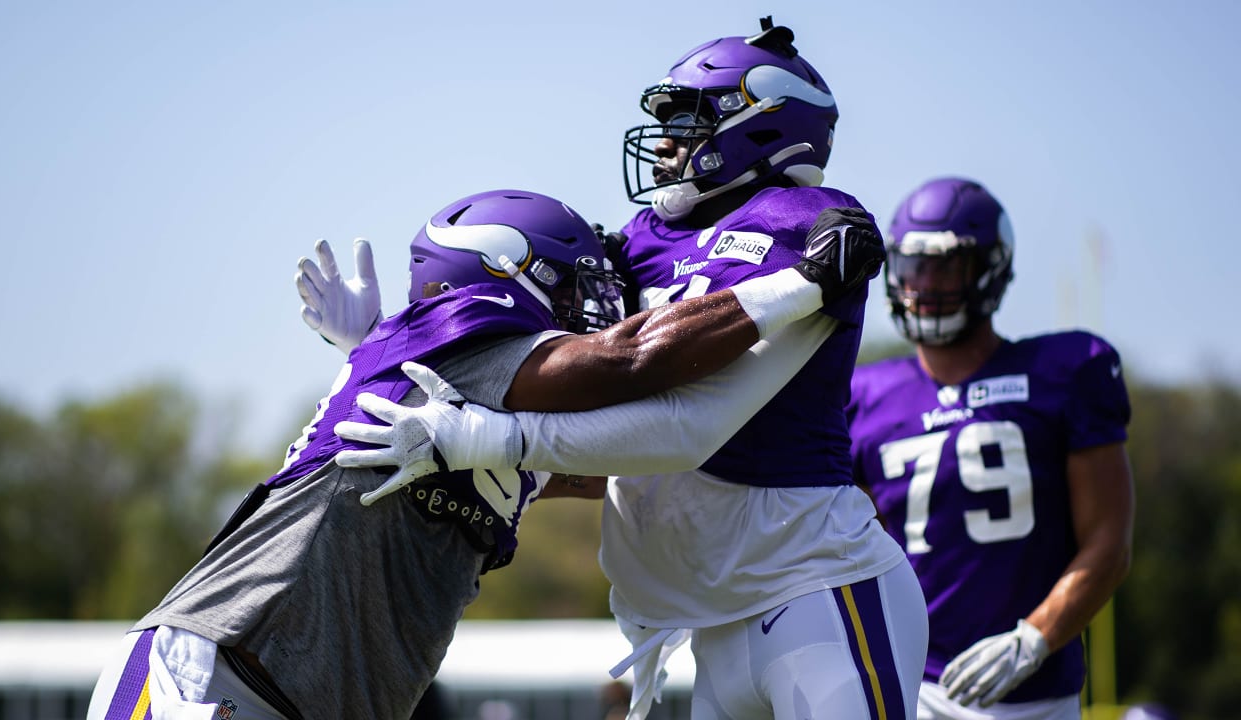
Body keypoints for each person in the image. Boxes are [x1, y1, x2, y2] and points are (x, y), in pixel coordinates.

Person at [319, 19, 929, 720]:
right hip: (711, 621)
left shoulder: (808, 221)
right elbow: (545, 365)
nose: (666, 139)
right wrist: (387, 345)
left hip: (815, 586)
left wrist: (489, 437)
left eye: (688, 118)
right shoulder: (644, 241)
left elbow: (688, 431)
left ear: (762, 124)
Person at [85, 187, 881, 720]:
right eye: (573, 288)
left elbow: (627, 457)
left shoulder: (460, 391)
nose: (595, 307)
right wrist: (807, 286)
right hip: (221, 673)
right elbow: (631, 361)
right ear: (507, 278)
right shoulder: (463, 343)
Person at [846, 177, 1135, 719]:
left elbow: (1109, 542)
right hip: (909, 681)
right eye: (912, 267)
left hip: (1032, 693)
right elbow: (848, 550)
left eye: (944, 267)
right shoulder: (862, 396)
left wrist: (1035, 639)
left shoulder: (1067, 371)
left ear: (990, 270)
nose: (923, 286)